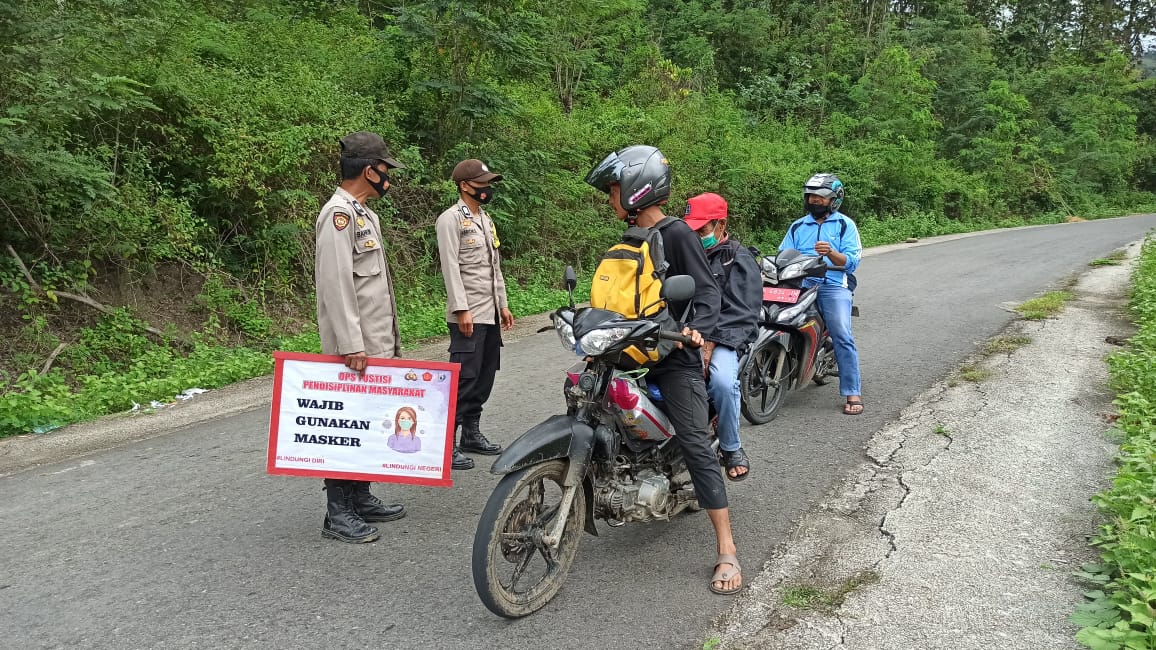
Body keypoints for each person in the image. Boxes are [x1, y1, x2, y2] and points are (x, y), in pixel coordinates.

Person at [585, 145, 743, 596]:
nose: (610, 199)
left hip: (673, 356)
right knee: (585, 400)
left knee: (694, 443)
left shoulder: (676, 234)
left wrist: (697, 330)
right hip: (628, 350)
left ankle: (727, 548)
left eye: (613, 190)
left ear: (638, 188)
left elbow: (707, 293)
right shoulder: (628, 239)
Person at [314, 131, 408, 543]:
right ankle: (337, 513)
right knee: (348, 425)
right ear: (370, 171)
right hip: (356, 349)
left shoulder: (365, 214)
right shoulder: (338, 215)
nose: (389, 176)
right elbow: (336, 285)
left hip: (375, 343)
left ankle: (361, 496)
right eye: (386, 169)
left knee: (369, 421)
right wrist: (351, 343)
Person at [435, 159, 513, 471]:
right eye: (482, 183)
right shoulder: (450, 220)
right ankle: (447, 444)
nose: (487, 188)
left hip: (489, 311)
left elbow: (494, 267)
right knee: (464, 379)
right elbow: (450, 267)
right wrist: (461, 309)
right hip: (468, 313)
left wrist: (502, 304)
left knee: (484, 376)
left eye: (488, 183)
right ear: (465, 185)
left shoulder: (485, 219)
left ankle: (470, 433)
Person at [683, 192, 762, 481]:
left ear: (721, 225)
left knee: (722, 381)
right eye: (691, 230)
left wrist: (709, 341)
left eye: (702, 229)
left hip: (724, 336)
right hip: (683, 332)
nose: (696, 236)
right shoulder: (684, 255)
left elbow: (743, 311)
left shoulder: (738, 259)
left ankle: (731, 447)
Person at [779, 173, 863, 415]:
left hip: (833, 284)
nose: (814, 200)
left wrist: (831, 253)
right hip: (801, 284)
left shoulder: (845, 225)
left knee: (842, 334)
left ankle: (852, 391)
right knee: (774, 319)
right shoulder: (798, 226)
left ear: (834, 200)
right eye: (811, 196)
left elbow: (852, 262)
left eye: (820, 197)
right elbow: (783, 254)